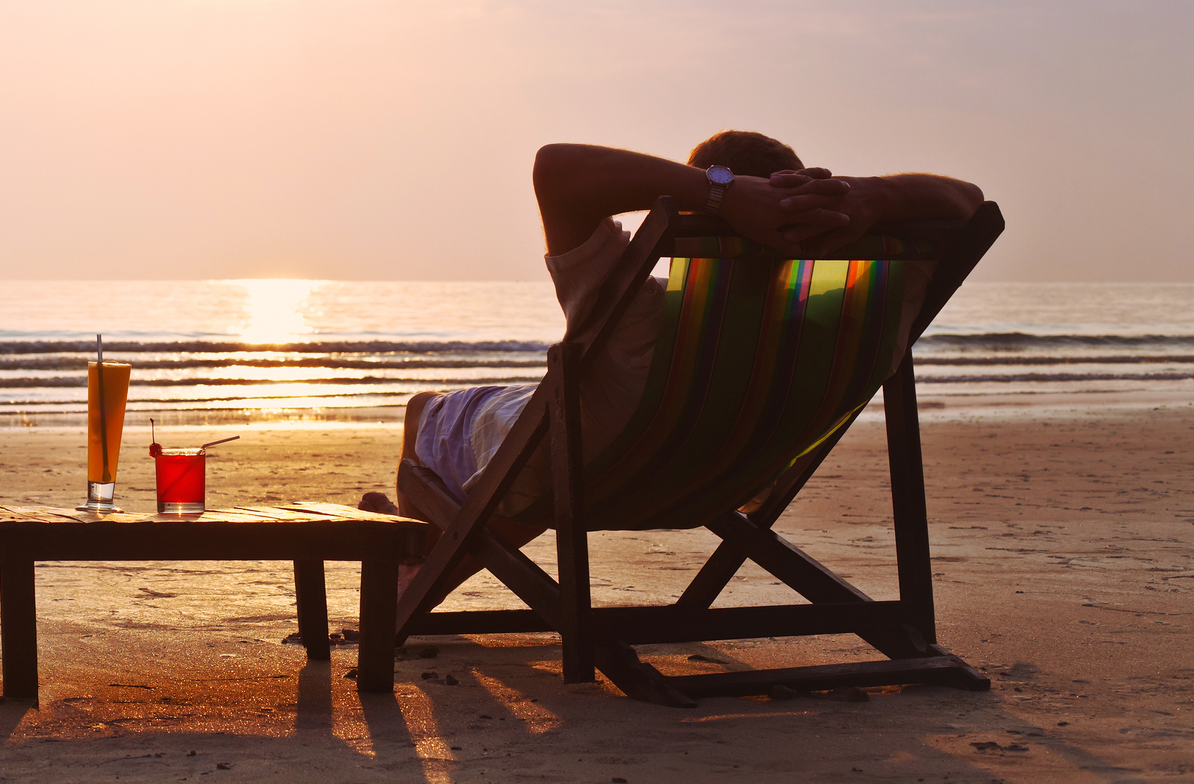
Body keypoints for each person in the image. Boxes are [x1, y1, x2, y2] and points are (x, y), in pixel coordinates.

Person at [363, 131, 983, 546]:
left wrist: (717, 191)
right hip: (727, 479)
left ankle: (417, 559)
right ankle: (437, 542)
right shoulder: (841, 320)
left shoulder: (638, 320)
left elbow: (555, 166)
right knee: (537, 439)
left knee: (431, 414)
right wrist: (867, 198)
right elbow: (967, 201)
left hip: (581, 473)